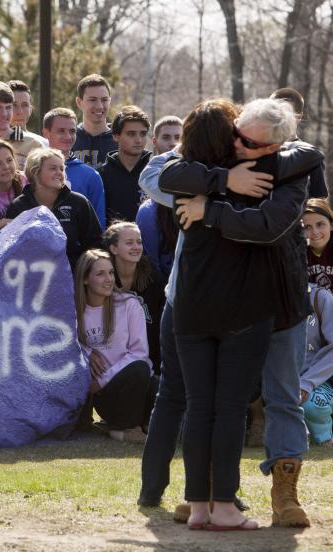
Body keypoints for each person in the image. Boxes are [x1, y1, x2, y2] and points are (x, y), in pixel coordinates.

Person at [158, 98, 321, 530]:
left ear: (271, 146)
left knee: (283, 399)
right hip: (231, 305)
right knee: (212, 402)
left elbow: (268, 224)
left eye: (245, 139)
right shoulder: (227, 158)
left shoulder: (293, 170)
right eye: (234, 133)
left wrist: (209, 209)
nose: (235, 142)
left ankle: (284, 494)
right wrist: (224, 178)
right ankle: (208, 494)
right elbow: (164, 173)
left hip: (280, 302)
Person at [74, 249, 154, 443]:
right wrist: (87, 353)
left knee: (149, 376)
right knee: (139, 370)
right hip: (106, 397)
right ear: (85, 279)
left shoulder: (129, 305)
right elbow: (66, 344)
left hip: (126, 384)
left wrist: (101, 381)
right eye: (100, 274)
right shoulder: (74, 311)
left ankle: (124, 429)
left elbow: (139, 353)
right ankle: (124, 428)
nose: (108, 279)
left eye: (111, 272)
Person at [7, 147, 101, 268]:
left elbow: (95, 244)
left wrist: (82, 272)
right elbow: (11, 250)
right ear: (35, 171)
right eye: (53, 168)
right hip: (32, 279)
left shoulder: (78, 202)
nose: (59, 172)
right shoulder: (19, 206)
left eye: (62, 168)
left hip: (73, 278)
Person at [102, 222, 165, 371]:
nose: (136, 247)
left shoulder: (152, 275)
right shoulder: (103, 276)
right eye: (129, 243)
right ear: (113, 248)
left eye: (139, 242)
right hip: (110, 360)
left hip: (149, 358)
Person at [42, 107, 106, 228]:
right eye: (61, 131)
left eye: (72, 131)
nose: (68, 136)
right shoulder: (33, 171)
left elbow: (98, 225)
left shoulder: (91, 176)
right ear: (46, 133)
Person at [136, 116, 182, 278]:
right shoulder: (148, 211)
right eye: (166, 137)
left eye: (179, 138)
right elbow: (151, 264)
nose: (173, 143)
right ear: (155, 142)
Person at [271, 87, 327, 200]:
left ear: (299, 117)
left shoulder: (310, 156)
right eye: (272, 112)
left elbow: (318, 199)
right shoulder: (256, 149)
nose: (278, 117)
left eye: (285, 113)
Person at [98, 106, 152, 223]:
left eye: (143, 134)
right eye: (131, 134)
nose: (138, 140)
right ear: (116, 136)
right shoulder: (101, 175)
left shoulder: (154, 172)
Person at [301, 284, 333, 446]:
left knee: (313, 403)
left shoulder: (321, 298)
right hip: (280, 378)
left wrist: (307, 382)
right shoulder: (266, 297)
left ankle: (325, 436)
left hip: (319, 380)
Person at [72, 74, 117, 168]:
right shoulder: (69, 138)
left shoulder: (120, 139)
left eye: (104, 100)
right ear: (79, 103)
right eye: (92, 100)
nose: (99, 106)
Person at [303, 198, 333, 290]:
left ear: (331, 225)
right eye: (307, 227)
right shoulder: (299, 253)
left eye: (320, 224)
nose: (315, 232)